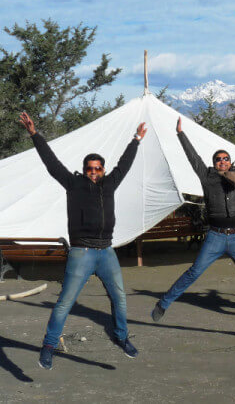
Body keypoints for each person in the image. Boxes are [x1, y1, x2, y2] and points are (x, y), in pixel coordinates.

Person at [19, 111, 146, 370]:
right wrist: (34, 134)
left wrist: (136, 140)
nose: (94, 173)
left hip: (106, 252)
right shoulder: (73, 184)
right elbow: (51, 162)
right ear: (84, 170)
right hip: (81, 252)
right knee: (65, 301)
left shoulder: (110, 183)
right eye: (90, 169)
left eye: (98, 168)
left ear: (103, 169)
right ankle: (49, 346)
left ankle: (121, 338)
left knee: (119, 298)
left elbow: (125, 164)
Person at [152, 114, 235, 327]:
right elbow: (192, 157)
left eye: (225, 158)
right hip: (215, 237)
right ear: (215, 164)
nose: (222, 161)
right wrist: (180, 134)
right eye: (218, 159)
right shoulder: (207, 177)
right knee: (194, 272)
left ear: (230, 162)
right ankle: (163, 303)